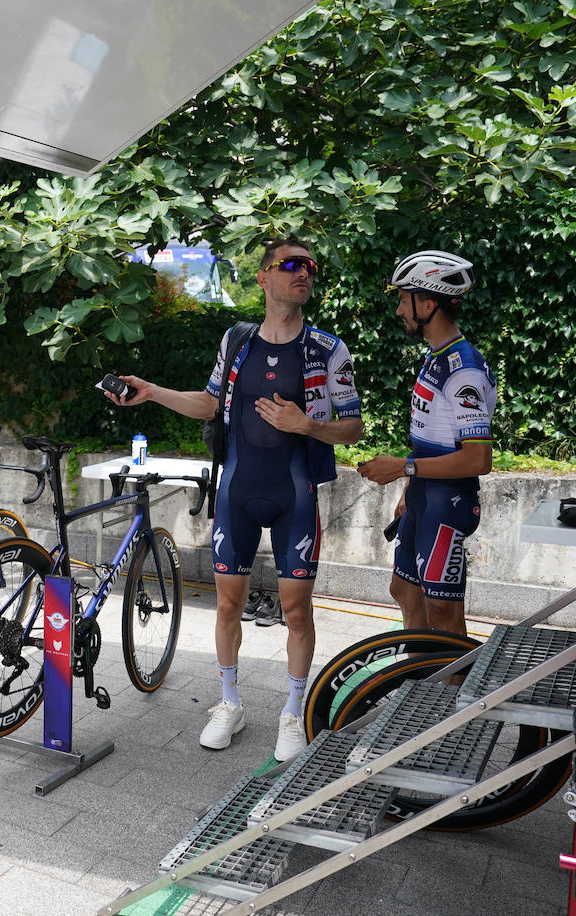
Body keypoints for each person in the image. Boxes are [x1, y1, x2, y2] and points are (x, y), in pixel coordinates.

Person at [106, 235, 363, 759]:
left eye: (310, 265)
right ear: (264, 276)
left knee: (296, 611)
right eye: (291, 264)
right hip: (237, 491)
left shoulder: (327, 349)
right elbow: (209, 403)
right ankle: (229, 704)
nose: (304, 272)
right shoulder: (237, 341)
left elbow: (353, 428)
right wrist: (152, 392)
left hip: (295, 494)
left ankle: (292, 713)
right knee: (227, 603)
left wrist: (307, 425)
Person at [358, 250, 496, 637]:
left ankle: (452, 693)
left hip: (447, 502)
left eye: (404, 300)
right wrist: (409, 484)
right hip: (423, 495)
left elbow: (478, 459)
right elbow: (431, 438)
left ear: (428, 303)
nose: (400, 310)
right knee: (403, 591)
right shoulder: (438, 357)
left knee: (443, 612)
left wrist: (404, 468)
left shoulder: (462, 370)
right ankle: (419, 678)